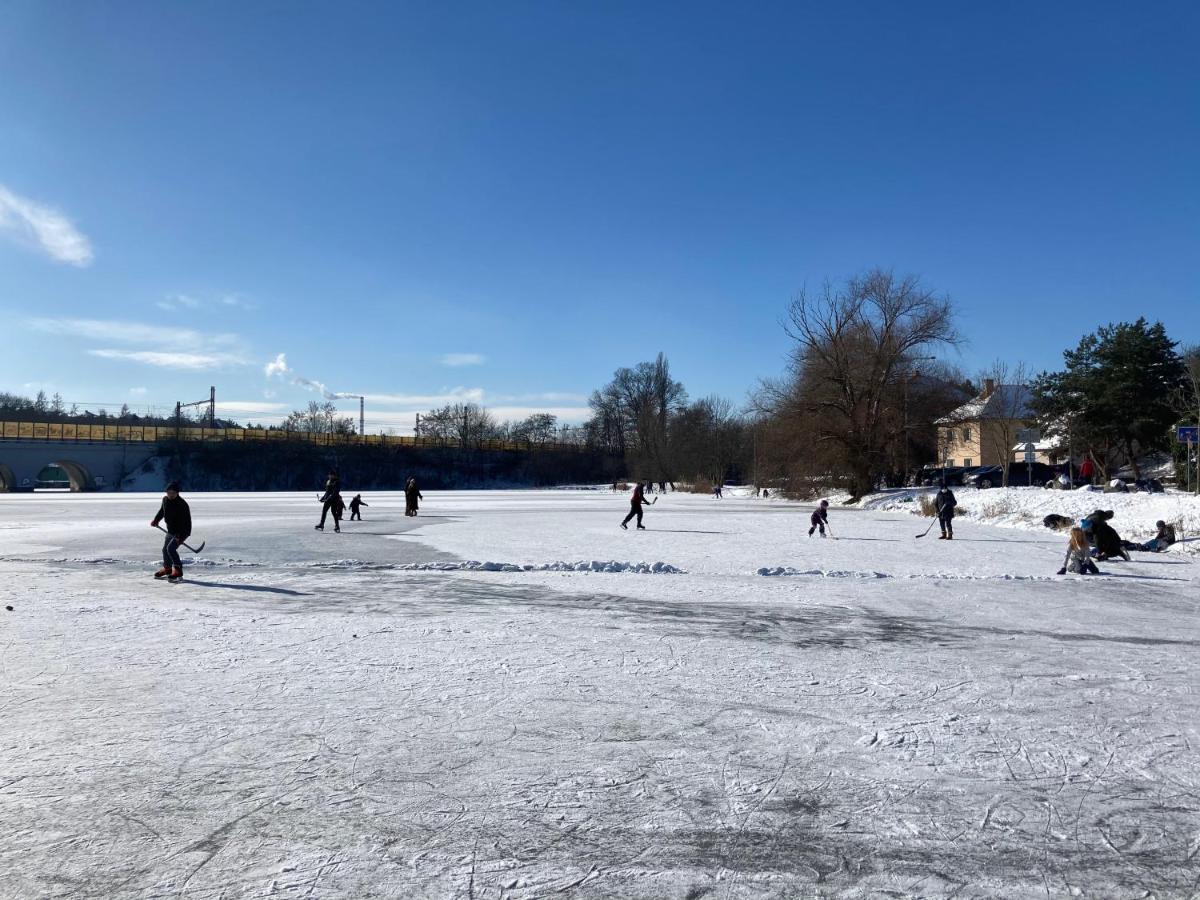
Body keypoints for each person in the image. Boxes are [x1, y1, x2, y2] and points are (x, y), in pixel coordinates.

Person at [150, 481, 191, 582]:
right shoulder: (165, 500)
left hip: (182, 531)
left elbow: (186, 522)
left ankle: (178, 570)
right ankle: (167, 569)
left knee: (171, 549)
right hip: (171, 530)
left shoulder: (182, 504)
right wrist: (156, 520)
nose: (170, 495)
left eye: (173, 493)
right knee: (165, 550)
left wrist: (181, 536)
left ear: (177, 493)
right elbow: (162, 511)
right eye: (169, 492)